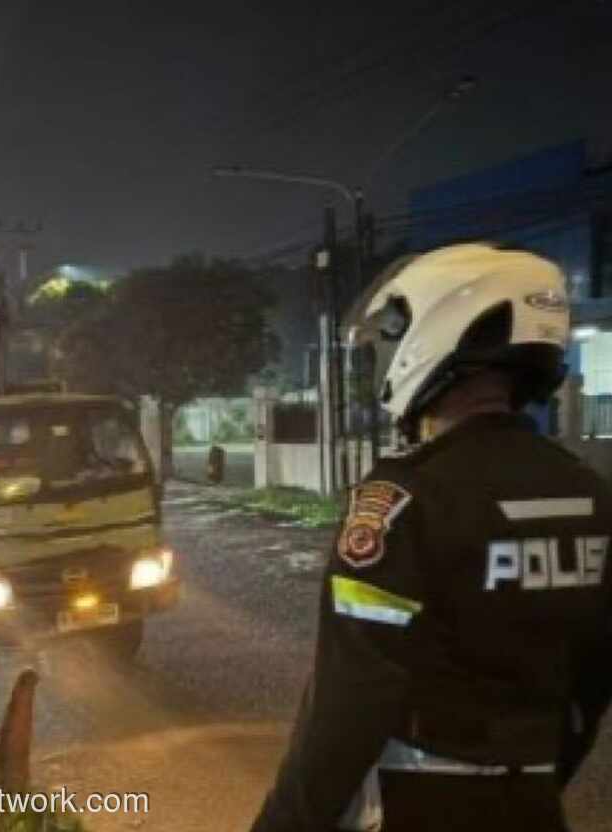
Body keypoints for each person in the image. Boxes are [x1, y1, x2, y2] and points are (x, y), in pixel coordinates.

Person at [251, 243, 612, 832]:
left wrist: (284, 822)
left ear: (431, 333)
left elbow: (352, 699)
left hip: (424, 804)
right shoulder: (592, 495)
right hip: (536, 804)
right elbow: (593, 683)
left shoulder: (402, 501)